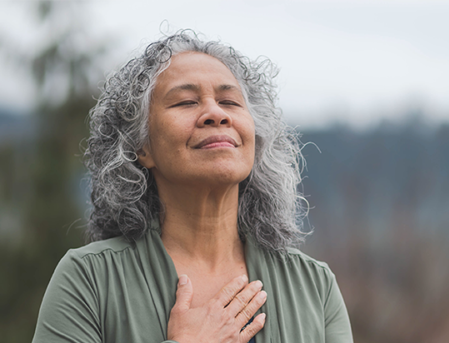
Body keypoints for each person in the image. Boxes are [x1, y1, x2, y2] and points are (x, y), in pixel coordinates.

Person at [32, 31, 353, 343]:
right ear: (141, 147)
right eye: (185, 102)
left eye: (229, 101)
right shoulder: (88, 280)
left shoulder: (314, 286)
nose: (216, 113)